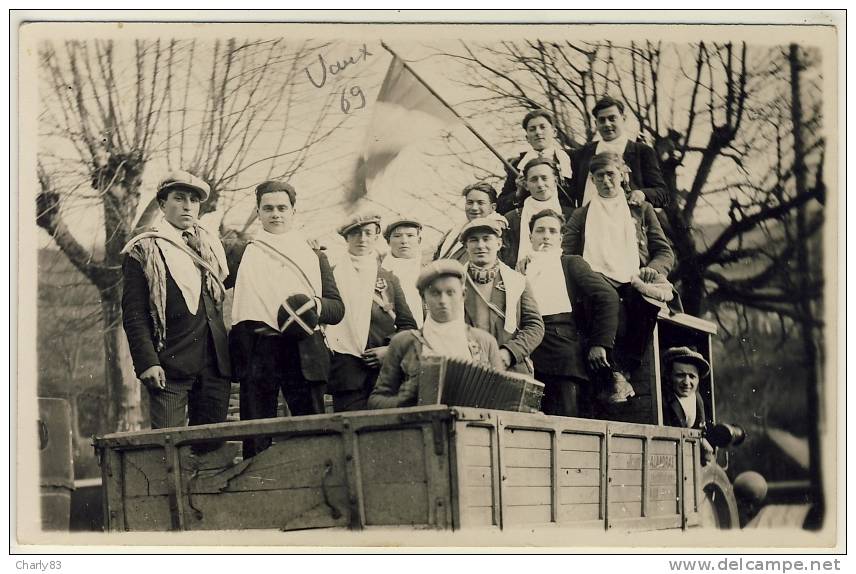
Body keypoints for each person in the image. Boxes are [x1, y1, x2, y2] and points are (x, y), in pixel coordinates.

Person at [229, 180, 345, 458]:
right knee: (256, 438)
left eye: (282, 207)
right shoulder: (243, 253)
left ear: (293, 210)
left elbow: (336, 308)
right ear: (258, 212)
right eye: (268, 208)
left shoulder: (314, 255)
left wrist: (312, 306)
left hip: (303, 348)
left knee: (315, 435)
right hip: (259, 349)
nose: (275, 214)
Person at [121, 171, 232, 438]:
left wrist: (306, 244)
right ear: (162, 205)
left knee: (212, 451)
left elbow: (255, 253)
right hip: (169, 365)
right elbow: (134, 313)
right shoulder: (143, 249)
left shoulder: (211, 245)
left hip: (214, 366)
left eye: (194, 201)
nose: (187, 206)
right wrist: (147, 362)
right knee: (168, 450)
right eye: (179, 198)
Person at [563, 151, 675, 404]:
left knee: (644, 301)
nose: (606, 181)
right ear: (592, 179)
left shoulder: (641, 210)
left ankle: (624, 372)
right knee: (604, 300)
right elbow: (567, 253)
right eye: (599, 176)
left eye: (611, 174)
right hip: (594, 278)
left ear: (623, 175)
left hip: (633, 276)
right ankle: (611, 375)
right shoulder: (581, 215)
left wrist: (653, 270)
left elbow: (664, 251)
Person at [520, 209, 619, 418]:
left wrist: (599, 343)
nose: (546, 236)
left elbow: (607, 296)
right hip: (528, 351)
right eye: (540, 231)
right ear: (530, 237)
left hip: (562, 354)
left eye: (552, 231)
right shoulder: (521, 269)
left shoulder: (571, 263)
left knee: (565, 420)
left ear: (560, 238)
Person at [368, 260, 504, 409]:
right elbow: (375, 401)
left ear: (463, 294)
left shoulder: (484, 342)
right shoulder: (404, 342)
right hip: (421, 428)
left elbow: (503, 402)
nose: (443, 301)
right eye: (435, 293)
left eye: (450, 292)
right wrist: (406, 399)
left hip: (473, 429)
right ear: (423, 297)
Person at [325, 212, 418, 412]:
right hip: (346, 371)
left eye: (368, 233)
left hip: (384, 371)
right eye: (355, 233)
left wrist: (390, 350)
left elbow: (408, 325)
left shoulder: (389, 279)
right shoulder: (331, 275)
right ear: (346, 238)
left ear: (376, 237)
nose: (363, 239)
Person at [460, 217, 544, 376]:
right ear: (466, 246)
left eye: (486, 239)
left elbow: (535, 326)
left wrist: (509, 353)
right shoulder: (453, 284)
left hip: (510, 368)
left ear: (498, 244)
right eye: (473, 240)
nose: (480, 246)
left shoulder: (517, 281)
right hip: (466, 370)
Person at [568, 96, 670, 210]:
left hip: (626, 222)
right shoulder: (585, 152)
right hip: (588, 222)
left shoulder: (642, 152)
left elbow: (663, 194)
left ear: (624, 119)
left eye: (612, 118)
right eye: (602, 120)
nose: (607, 124)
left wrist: (642, 194)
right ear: (596, 123)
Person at [497, 109, 574, 215]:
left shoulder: (571, 158)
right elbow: (501, 206)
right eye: (532, 129)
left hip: (566, 219)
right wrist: (518, 193)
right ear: (527, 137)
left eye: (543, 127)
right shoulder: (518, 165)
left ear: (554, 132)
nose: (538, 132)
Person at [503, 157, 569, 269]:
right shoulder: (512, 218)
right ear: (526, 185)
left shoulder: (571, 215)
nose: (540, 184)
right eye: (534, 179)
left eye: (544, 178)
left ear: (555, 181)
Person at [433, 182, 514, 266]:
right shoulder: (454, 233)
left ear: (492, 207)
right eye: (470, 202)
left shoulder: (499, 233)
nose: (474, 208)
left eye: (480, 203)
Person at [662, 346, 714, 462]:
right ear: (670, 376)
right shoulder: (663, 400)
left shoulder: (699, 401)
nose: (686, 382)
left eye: (692, 376)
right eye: (680, 375)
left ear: (698, 379)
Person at [381, 217, 425, 327]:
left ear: (419, 240)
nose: (404, 241)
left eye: (410, 236)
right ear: (388, 241)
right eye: (397, 236)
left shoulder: (430, 268)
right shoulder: (380, 272)